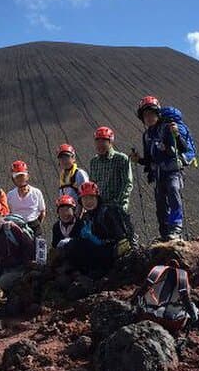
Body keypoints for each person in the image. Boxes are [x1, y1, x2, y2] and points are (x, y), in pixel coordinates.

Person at [130, 96, 188, 241]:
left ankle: (176, 228)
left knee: (174, 191)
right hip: (158, 173)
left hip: (173, 171)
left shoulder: (167, 128)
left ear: (158, 114)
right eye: (145, 115)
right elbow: (149, 159)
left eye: (151, 114)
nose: (148, 117)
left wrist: (177, 135)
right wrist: (139, 160)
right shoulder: (146, 135)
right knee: (161, 204)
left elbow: (182, 148)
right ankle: (165, 234)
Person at [64, 181, 134, 276]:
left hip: (112, 253)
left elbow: (121, 241)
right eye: (85, 199)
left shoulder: (107, 213)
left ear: (97, 198)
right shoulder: (87, 216)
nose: (88, 202)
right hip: (100, 251)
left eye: (91, 198)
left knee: (77, 246)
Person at [88, 126, 133, 213]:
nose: (100, 144)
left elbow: (127, 183)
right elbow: (92, 185)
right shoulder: (94, 162)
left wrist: (119, 203)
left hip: (116, 206)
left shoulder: (121, 159)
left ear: (110, 142)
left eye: (103, 141)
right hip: (99, 206)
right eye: (97, 141)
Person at [6, 160, 46, 237]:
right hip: (17, 227)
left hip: (34, 226)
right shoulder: (10, 195)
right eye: (17, 176)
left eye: (22, 176)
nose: (20, 179)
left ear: (27, 176)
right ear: (13, 179)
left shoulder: (36, 192)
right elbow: (8, 213)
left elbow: (42, 212)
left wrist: (36, 224)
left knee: (39, 247)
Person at [50, 194, 83, 262]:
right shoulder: (56, 226)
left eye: (68, 210)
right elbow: (54, 245)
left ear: (73, 211)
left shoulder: (80, 224)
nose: (65, 214)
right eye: (61, 210)